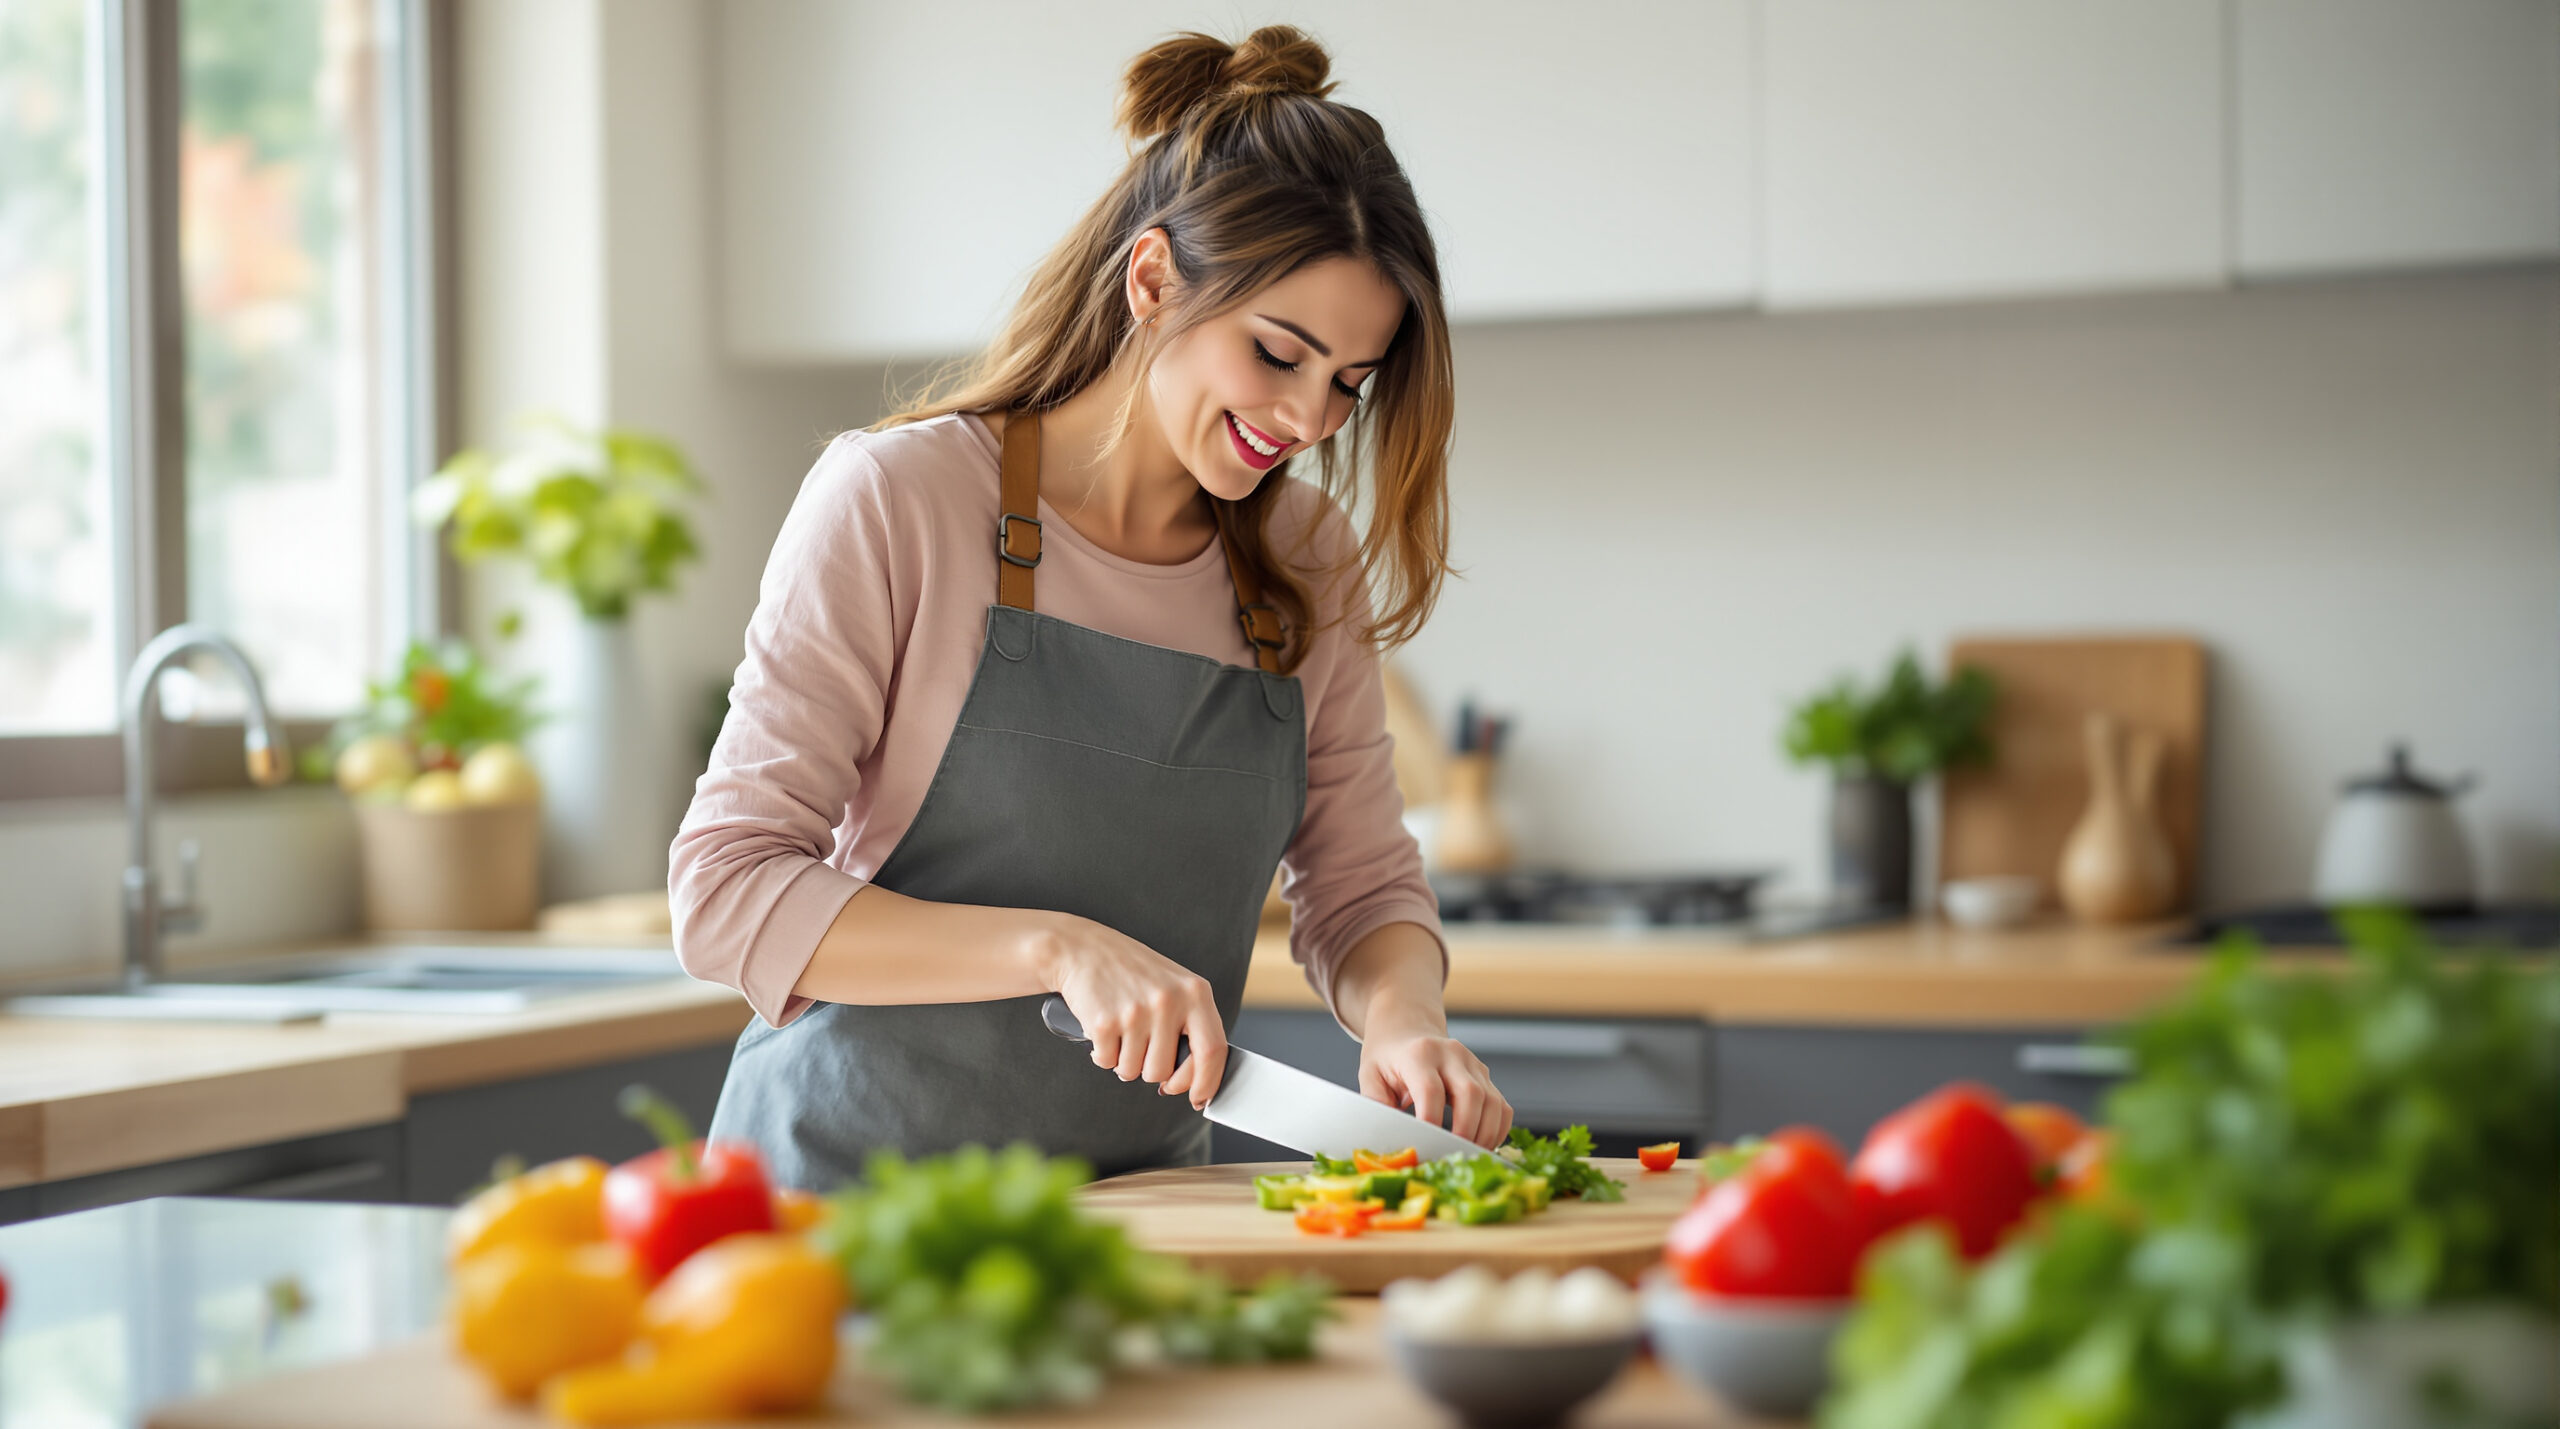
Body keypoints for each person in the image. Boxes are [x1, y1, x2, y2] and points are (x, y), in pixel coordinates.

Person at [669, 25, 1510, 1190]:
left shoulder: (1303, 558)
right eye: (1278, 353)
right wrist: (1054, 949)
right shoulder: (904, 498)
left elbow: (1361, 885)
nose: (1311, 420)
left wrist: (1404, 1018)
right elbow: (724, 889)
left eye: (1348, 385)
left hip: (1134, 1216)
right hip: (843, 1211)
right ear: (1153, 279)